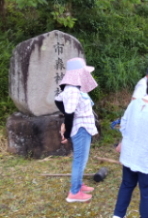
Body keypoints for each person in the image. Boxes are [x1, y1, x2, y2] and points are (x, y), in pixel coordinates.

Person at [113, 75, 148, 218]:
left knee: (126, 185)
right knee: (146, 193)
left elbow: (124, 123)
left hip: (130, 155)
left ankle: (117, 215)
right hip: (147, 159)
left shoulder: (135, 103)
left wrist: (123, 142)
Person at [54, 57, 98, 203]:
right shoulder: (72, 89)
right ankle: (74, 193)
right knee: (79, 160)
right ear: (78, 73)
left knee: (82, 159)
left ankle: (78, 184)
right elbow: (69, 113)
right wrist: (66, 133)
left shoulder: (76, 88)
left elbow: (58, 100)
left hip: (84, 128)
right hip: (80, 129)